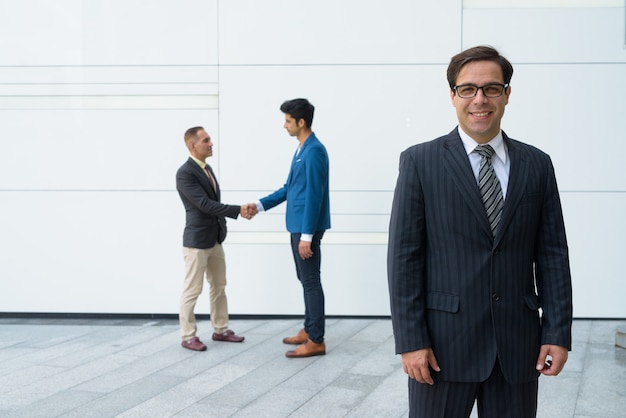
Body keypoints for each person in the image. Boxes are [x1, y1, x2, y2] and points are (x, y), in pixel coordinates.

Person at [387, 46, 573, 417]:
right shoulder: (419, 162)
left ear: (507, 94)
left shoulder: (537, 164)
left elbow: (552, 254)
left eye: (491, 88)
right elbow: (404, 259)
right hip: (441, 349)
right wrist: (411, 342)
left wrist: (556, 332)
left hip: (517, 348)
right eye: (468, 89)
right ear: (453, 96)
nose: (480, 100)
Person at [244, 98, 331, 358]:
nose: (284, 126)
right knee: (305, 280)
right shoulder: (302, 149)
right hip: (298, 225)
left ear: (300, 122)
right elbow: (289, 188)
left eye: (287, 120)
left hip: (306, 229)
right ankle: (310, 328)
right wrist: (259, 205)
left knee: (311, 281)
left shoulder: (314, 150)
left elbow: (314, 195)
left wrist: (307, 235)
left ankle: (316, 339)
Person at [176, 126, 255, 351]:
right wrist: (238, 209)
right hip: (196, 241)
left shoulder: (207, 169)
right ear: (193, 146)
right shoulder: (185, 173)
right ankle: (188, 335)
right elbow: (204, 205)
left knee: (219, 286)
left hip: (215, 239)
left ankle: (220, 329)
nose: (211, 143)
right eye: (206, 140)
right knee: (193, 289)